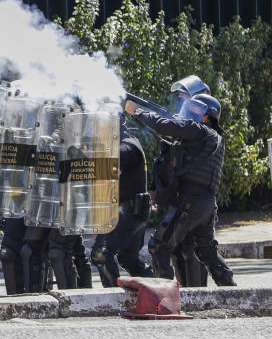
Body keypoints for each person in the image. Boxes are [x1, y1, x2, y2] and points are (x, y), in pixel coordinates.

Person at [125, 93, 236, 286]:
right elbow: (168, 139)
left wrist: (137, 112)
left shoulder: (199, 131)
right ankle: (231, 291)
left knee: (158, 246)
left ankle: (164, 298)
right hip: (206, 203)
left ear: (208, 116)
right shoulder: (212, 137)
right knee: (206, 251)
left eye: (195, 109)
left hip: (189, 201)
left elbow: (167, 126)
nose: (189, 112)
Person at [90, 119, 153, 287]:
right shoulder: (127, 143)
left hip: (129, 211)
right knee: (128, 259)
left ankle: (114, 298)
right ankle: (154, 290)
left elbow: (105, 174)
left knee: (101, 254)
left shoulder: (126, 147)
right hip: (132, 210)